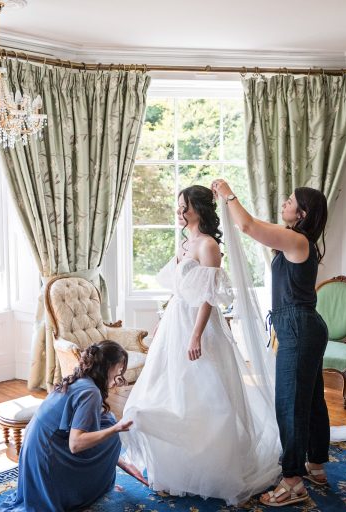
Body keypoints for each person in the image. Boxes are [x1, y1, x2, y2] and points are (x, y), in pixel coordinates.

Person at [120, 185, 282, 506]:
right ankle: (175, 465)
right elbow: (180, 290)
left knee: (207, 395)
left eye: (185, 207)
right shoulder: (183, 243)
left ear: (199, 209)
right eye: (178, 206)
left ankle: (213, 466)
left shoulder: (209, 246)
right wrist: (163, 319)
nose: (180, 212)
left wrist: (196, 336)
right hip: (175, 323)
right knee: (170, 390)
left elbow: (208, 297)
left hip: (199, 327)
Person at [212, 179, 330, 507]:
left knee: (291, 404)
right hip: (304, 326)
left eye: (290, 201)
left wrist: (228, 193)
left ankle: (292, 482)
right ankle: (316, 465)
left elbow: (248, 225)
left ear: (302, 213)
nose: (284, 202)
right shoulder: (297, 240)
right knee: (311, 399)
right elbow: (255, 225)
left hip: (299, 328)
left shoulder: (295, 240)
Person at [0, 340, 133, 512]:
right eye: (118, 370)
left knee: (107, 420)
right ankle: (84, 491)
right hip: (47, 458)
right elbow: (76, 445)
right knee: (113, 432)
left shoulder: (79, 378)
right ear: (107, 367)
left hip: (34, 450)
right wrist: (116, 429)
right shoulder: (91, 393)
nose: (119, 376)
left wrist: (117, 460)